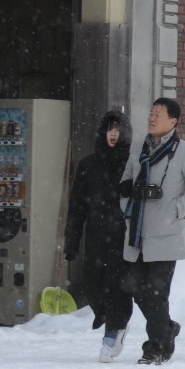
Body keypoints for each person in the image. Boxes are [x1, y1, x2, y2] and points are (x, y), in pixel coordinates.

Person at [99, 98, 185, 366]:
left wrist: (174, 210)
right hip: (136, 232)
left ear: (173, 121)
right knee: (135, 288)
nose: (151, 118)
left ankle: (155, 348)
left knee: (156, 293)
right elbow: (126, 182)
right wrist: (127, 207)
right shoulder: (139, 148)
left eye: (157, 114)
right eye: (150, 113)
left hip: (167, 236)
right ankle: (167, 329)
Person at [63, 110, 131, 335]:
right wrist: (71, 241)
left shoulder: (132, 163)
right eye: (110, 129)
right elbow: (77, 207)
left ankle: (114, 331)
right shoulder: (88, 165)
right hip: (95, 235)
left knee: (116, 287)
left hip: (123, 235)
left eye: (118, 130)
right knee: (92, 285)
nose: (114, 134)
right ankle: (103, 314)